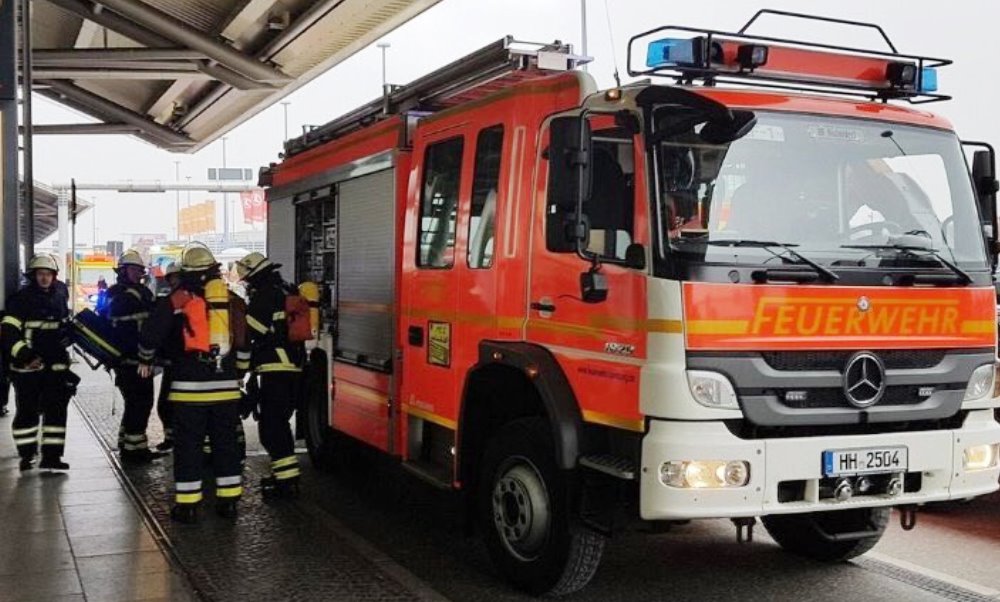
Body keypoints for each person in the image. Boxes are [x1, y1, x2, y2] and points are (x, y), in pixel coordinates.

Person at [138, 244, 248, 522]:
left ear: (186, 272)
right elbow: (245, 342)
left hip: (188, 389)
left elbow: (151, 332)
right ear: (214, 269)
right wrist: (239, 373)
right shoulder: (232, 299)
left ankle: (187, 505)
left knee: (189, 445)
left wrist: (146, 359)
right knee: (226, 445)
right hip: (225, 389)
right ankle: (229, 502)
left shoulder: (177, 300)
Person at [235, 252, 303, 498]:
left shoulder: (265, 295)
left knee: (272, 427)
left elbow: (251, 332)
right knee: (278, 424)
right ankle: (284, 478)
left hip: (276, 367)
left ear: (254, 276)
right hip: (291, 365)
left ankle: (287, 483)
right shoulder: (285, 288)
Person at [1, 254, 77, 471]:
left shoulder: (59, 296)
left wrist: (69, 335)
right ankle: (27, 454)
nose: (44, 278)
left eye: (48, 274)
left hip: (55, 367)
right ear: (33, 276)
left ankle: (52, 457)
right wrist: (26, 357)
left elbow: (63, 327)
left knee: (56, 413)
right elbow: (9, 332)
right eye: (40, 274)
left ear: (54, 276)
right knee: (27, 412)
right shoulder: (20, 300)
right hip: (28, 368)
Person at [103, 250, 158, 463]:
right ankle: (134, 451)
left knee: (135, 403)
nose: (137, 273)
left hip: (132, 358)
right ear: (123, 271)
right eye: (133, 269)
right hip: (132, 359)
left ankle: (129, 443)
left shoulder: (128, 292)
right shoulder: (125, 294)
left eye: (139, 270)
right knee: (140, 402)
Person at [153, 262, 182, 452]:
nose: (172, 281)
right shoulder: (169, 300)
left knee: (175, 404)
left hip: (183, 363)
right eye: (170, 278)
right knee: (165, 405)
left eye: (175, 277)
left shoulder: (183, 300)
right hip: (172, 363)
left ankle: (178, 439)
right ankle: (171, 438)